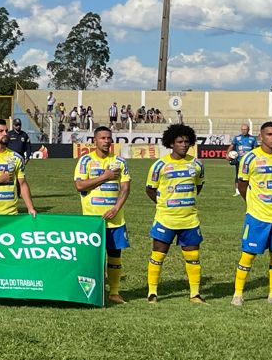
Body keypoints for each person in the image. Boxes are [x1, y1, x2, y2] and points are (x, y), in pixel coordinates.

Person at [232, 121, 272, 307]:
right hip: (258, 216)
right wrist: (252, 203)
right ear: (260, 137)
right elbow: (242, 185)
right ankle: (238, 294)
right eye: (269, 134)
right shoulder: (250, 158)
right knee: (248, 254)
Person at [144, 123, 206, 303]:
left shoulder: (196, 164)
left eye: (187, 141)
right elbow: (150, 189)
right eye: (180, 141)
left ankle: (195, 294)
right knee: (158, 254)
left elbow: (199, 185)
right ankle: (152, 293)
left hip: (189, 219)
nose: (184, 144)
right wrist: (164, 203)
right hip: (166, 218)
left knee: (193, 256)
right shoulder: (159, 165)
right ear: (171, 143)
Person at [73, 126, 130, 303]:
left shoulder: (120, 162)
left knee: (114, 255)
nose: (106, 141)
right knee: (93, 257)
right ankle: (94, 291)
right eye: (103, 138)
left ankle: (114, 292)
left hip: (115, 219)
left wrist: (116, 208)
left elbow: (126, 188)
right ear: (94, 141)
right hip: (92, 220)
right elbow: (80, 186)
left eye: (109, 138)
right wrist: (105, 176)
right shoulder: (85, 161)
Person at [230, 123, 254, 196]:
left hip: (250, 161)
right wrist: (227, 155)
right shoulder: (237, 138)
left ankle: (250, 189)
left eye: (245, 129)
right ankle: (237, 191)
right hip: (239, 160)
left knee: (250, 175)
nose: (244, 131)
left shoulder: (252, 138)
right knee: (238, 175)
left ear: (248, 130)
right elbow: (231, 146)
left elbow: (255, 148)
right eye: (242, 129)